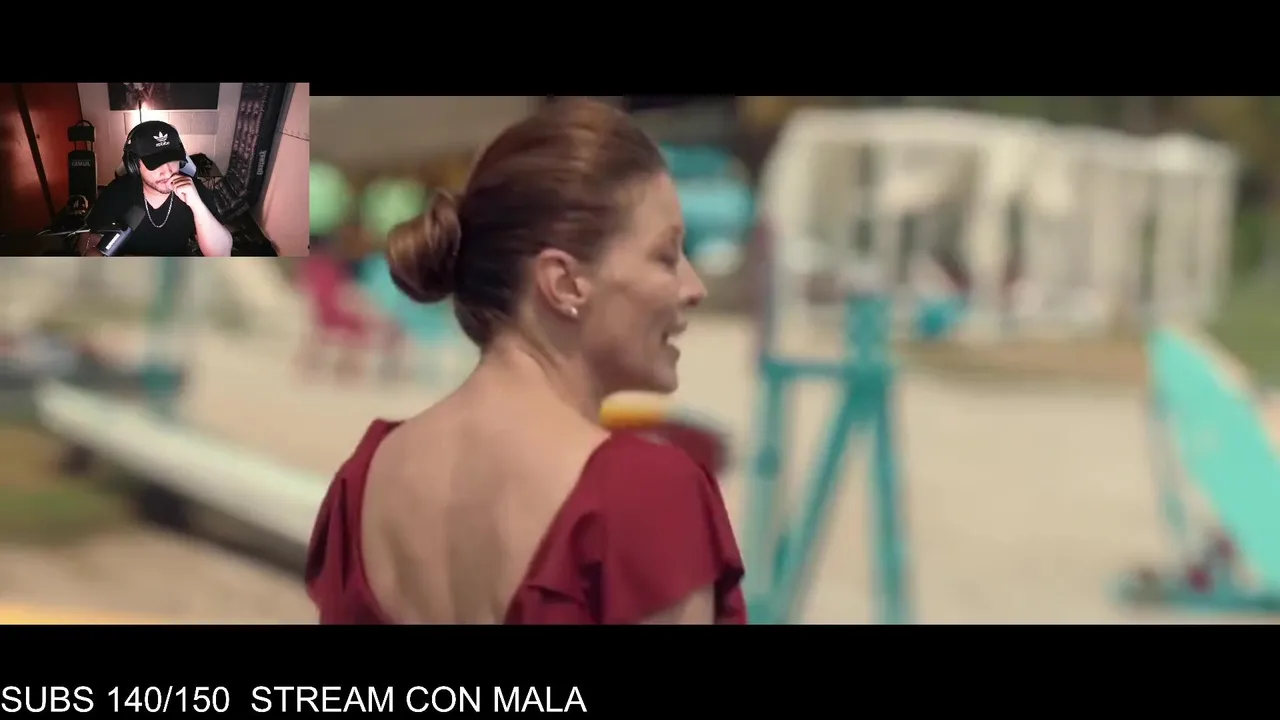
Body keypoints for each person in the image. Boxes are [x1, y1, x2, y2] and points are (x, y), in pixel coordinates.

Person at [305, 98, 747, 624]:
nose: (693, 288)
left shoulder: (364, 485)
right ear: (564, 283)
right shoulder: (645, 496)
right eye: (666, 256)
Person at [82, 120, 233, 257]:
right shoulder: (117, 192)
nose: (167, 171)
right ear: (134, 165)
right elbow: (89, 238)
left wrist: (197, 205)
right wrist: (92, 253)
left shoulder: (194, 190)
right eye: (155, 163)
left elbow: (221, 254)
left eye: (172, 159)